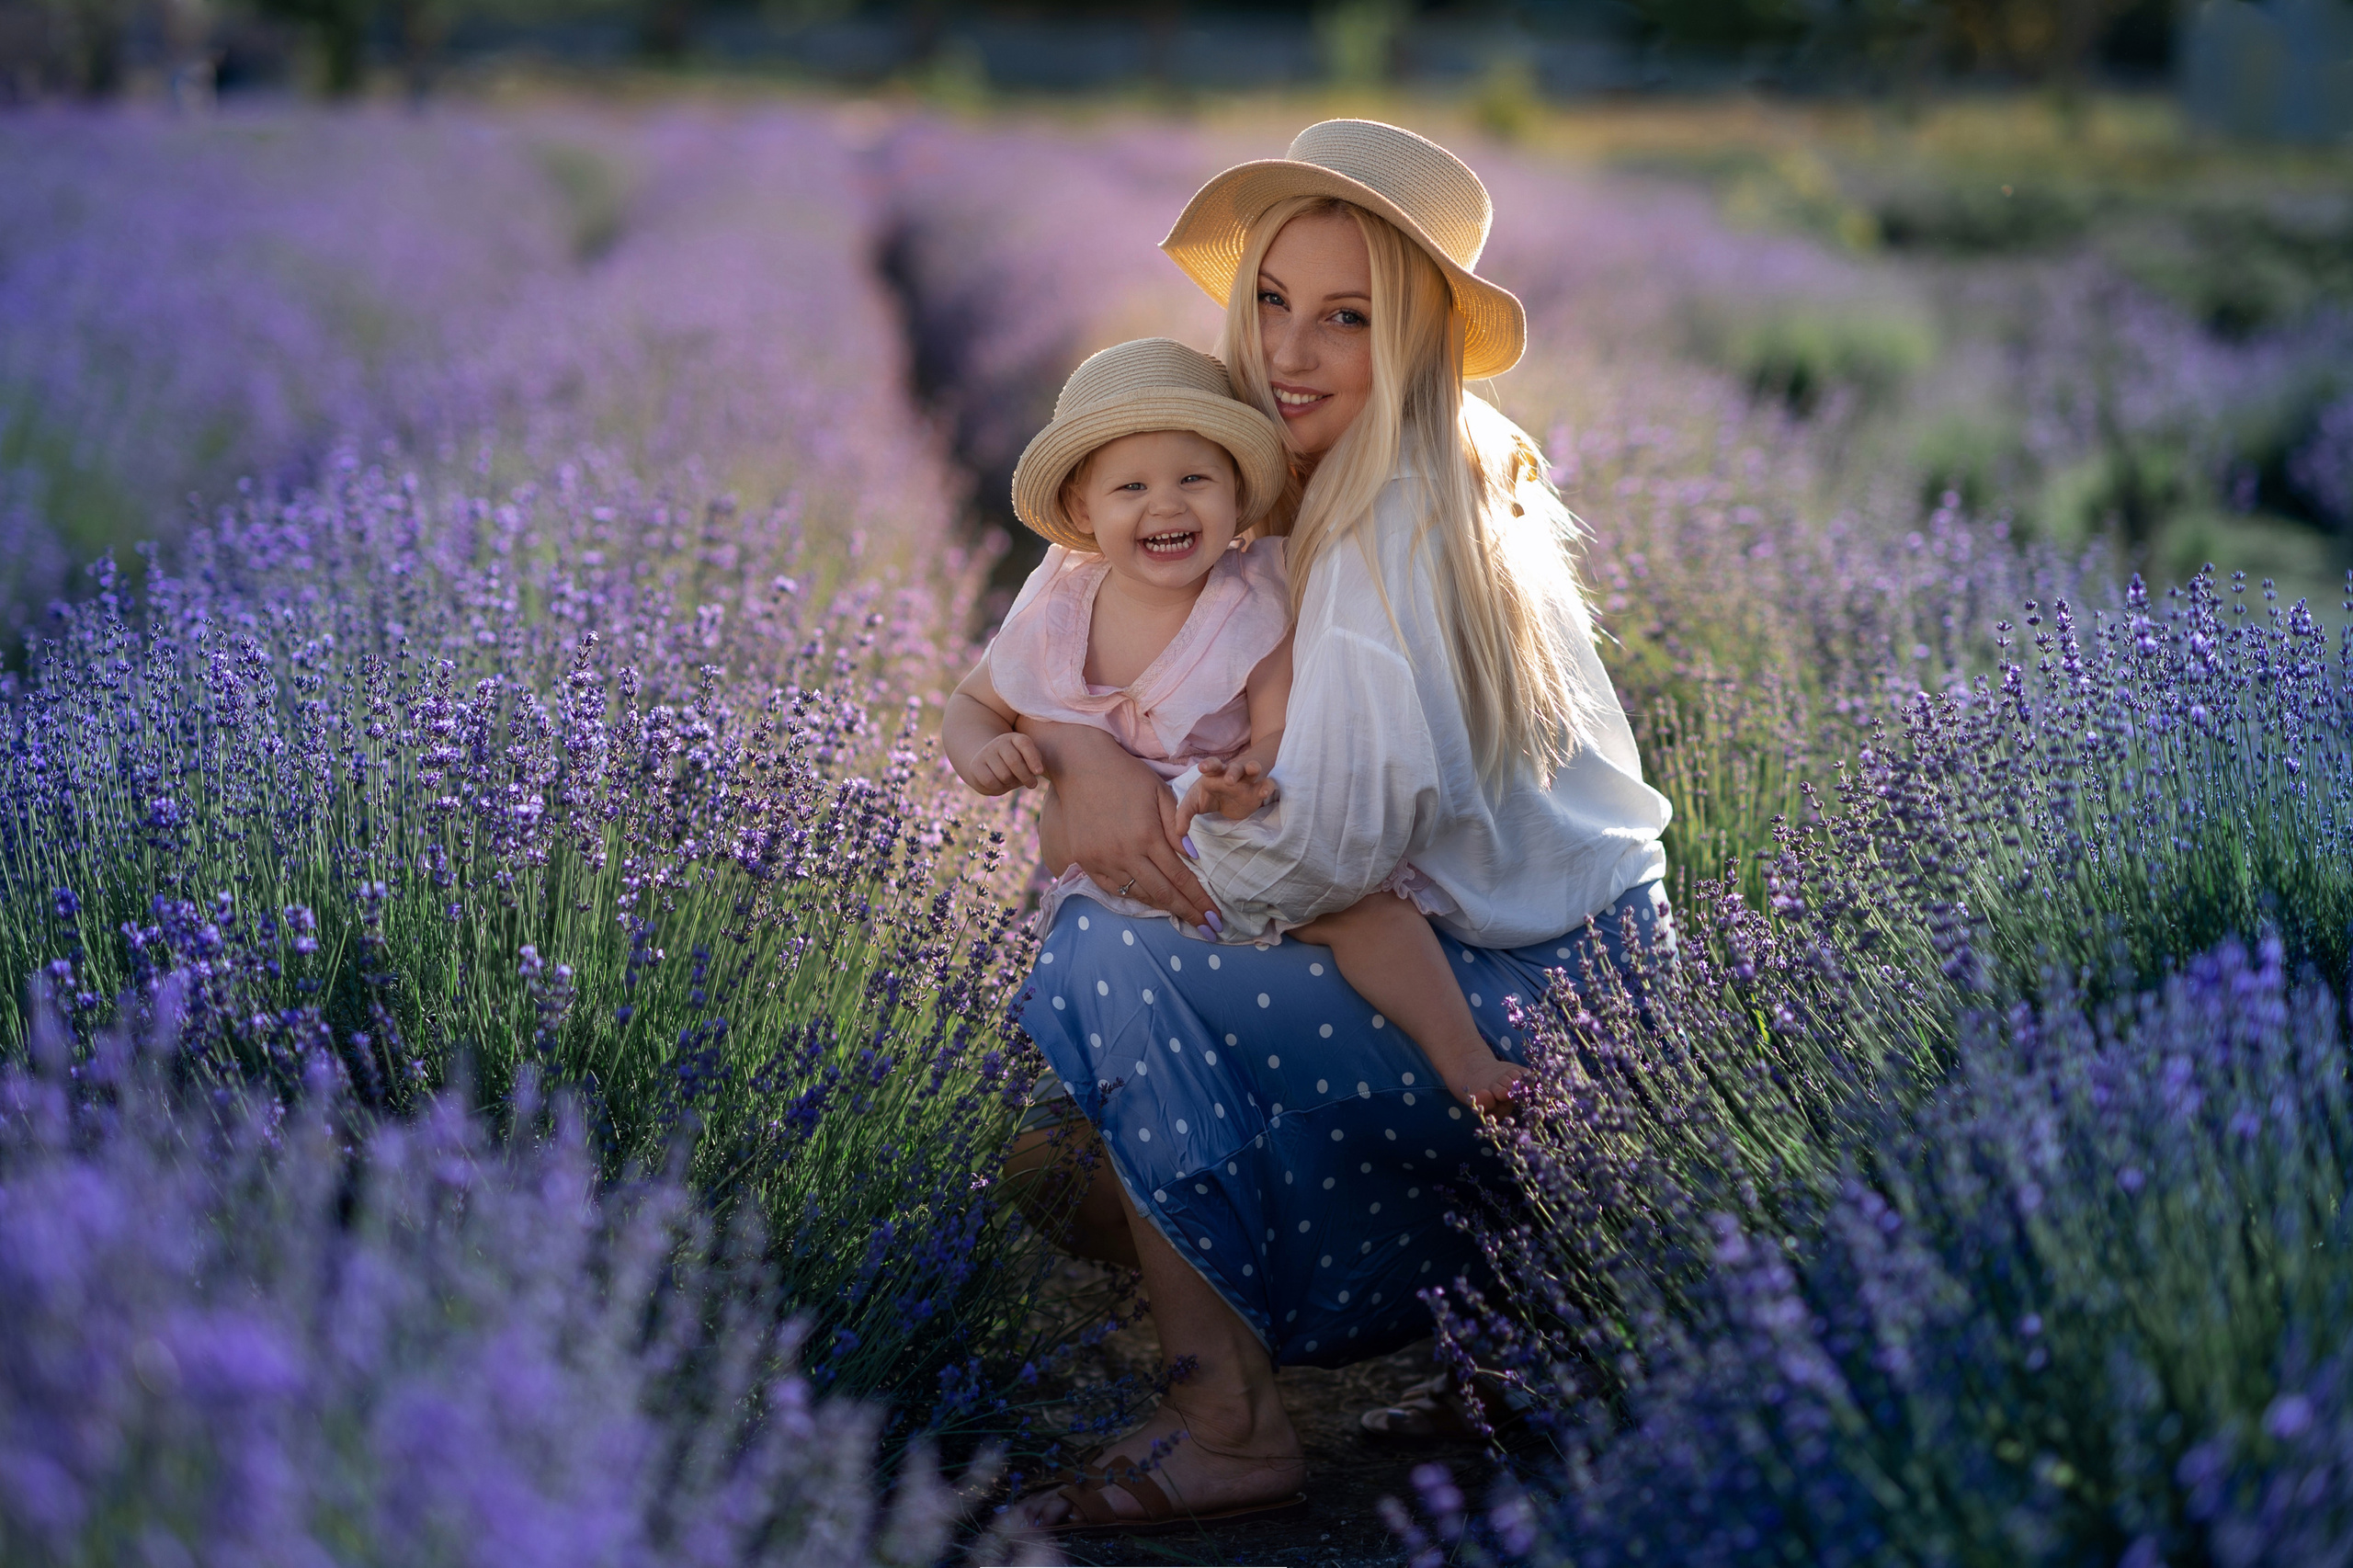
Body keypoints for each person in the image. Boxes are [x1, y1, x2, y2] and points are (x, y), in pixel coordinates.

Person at [1004, 120, 1676, 1534]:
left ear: (1417, 338)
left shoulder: (1396, 523)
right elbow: (1113, 654)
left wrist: (1143, 840)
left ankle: (1229, 1424)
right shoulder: (1388, 465)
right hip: (1570, 980)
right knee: (1114, 1055)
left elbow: (1329, 857)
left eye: (1346, 319)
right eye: (1270, 302)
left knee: (1101, 962)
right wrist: (1080, 751)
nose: (1290, 351)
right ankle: (1515, 1345)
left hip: (1548, 1016)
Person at [942, 337, 1529, 1118]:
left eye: (1195, 479)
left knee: (1370, 916)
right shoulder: (1060, 609)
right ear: (1084, 511)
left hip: (1230, 832)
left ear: (1236, 494)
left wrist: (1242, 780)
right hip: (1118, 864)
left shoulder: (1251, 605)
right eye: (1131, 488)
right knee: (1078, 980)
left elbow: (1278, 730)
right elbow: (974, 701)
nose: (1167, 505)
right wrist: (986, 753)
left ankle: (1466, 1059)